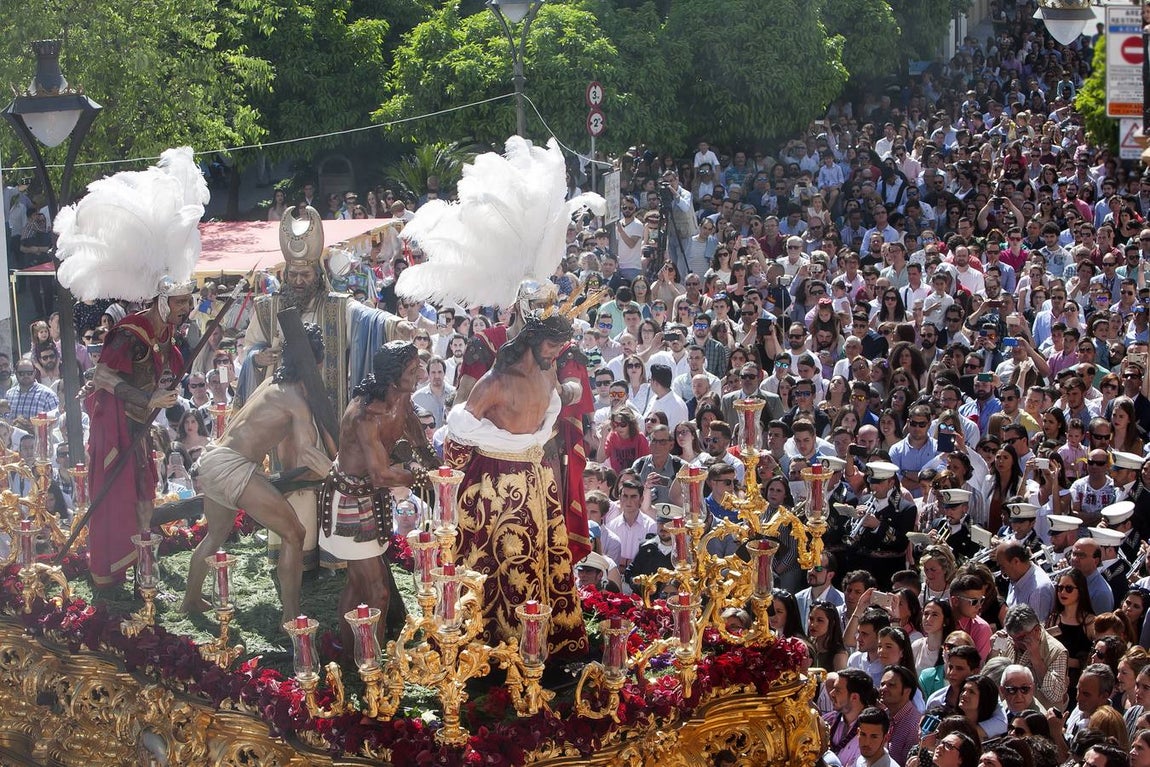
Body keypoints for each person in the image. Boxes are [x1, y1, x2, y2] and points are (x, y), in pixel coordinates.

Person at [444, 311, 589, 658]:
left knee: (540, 559)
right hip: (498, 486)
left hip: (536, 482)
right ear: (533, 338)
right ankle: (496, 645)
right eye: (552, 345)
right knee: (499, 563)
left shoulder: (548, 371)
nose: (556, 353)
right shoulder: (495, 381)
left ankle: (543, 638)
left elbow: (556, 403)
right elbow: (460, 432)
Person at [182, 323, 332, 623]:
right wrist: (336, 473)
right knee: (294, 534)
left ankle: (191, 601)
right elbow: (306, 452)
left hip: (212, 461)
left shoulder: (270, 384)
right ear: (317, 364)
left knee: (215, 536)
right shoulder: (296, 401)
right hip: (233, 468)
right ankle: (291, 615)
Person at [317, 341, 436, 649]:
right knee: (377, 591)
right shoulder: (365, 415)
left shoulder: (401, 397)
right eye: (412, 370)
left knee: (358, 584)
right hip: (349, 500)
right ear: (392, 378)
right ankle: (373, 658)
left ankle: (350, 653)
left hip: (370, 497)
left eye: (418, 367)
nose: (419, 373)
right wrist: (422, 477)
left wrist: (433, 463)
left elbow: (415, 432)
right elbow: (381, 475)